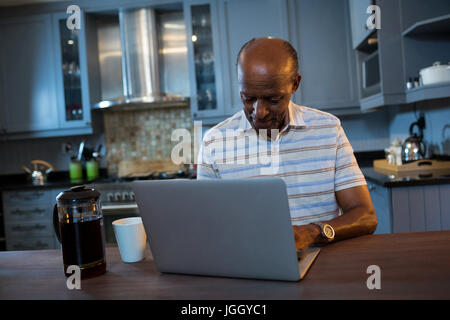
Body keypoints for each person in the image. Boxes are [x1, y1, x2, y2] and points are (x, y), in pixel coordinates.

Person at [197, 37, 377, 250]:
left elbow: (365, 216)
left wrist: (312, 233)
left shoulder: (328, 129)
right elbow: (205, 226)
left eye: (273, 100)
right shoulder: (213, 142)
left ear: (295, 84)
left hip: (322, 264)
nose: (259, 113)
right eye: (248, 98)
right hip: (246, 265)